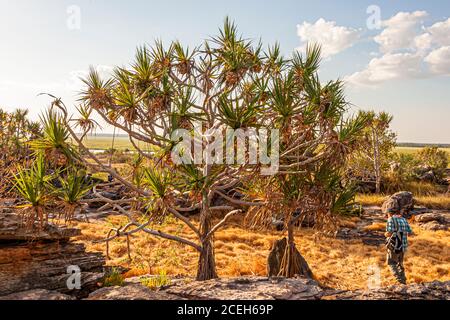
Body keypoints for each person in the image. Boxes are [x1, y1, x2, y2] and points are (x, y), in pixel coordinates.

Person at [385, 208, 413, 284]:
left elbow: (390, 232)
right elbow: (410, 232)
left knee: (391, 263)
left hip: (395, 244)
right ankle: (403, 281)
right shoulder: (403, 219)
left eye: (387, 214)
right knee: (400, 263)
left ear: (389, 213)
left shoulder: (391, 219)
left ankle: (399, 280)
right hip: (403, 245)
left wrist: (386, 234)